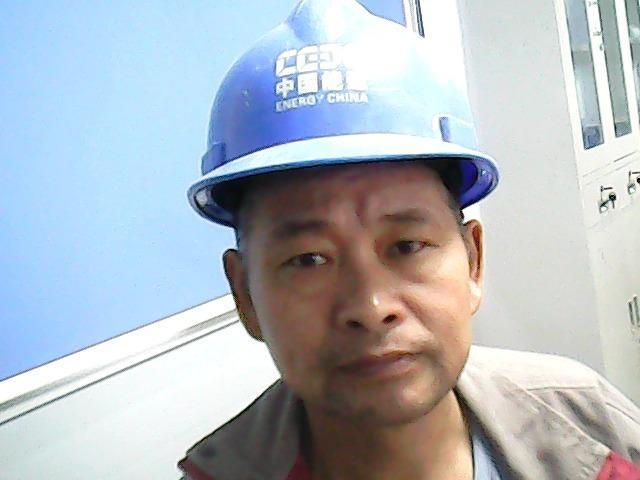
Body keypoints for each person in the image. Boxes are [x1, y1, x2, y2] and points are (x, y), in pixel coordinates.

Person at [178, 0, 640, 478]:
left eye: (407, 246)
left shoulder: (592, 429)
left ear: (473, 261)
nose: (371, 306)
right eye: (309, 258)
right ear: (245, 295)